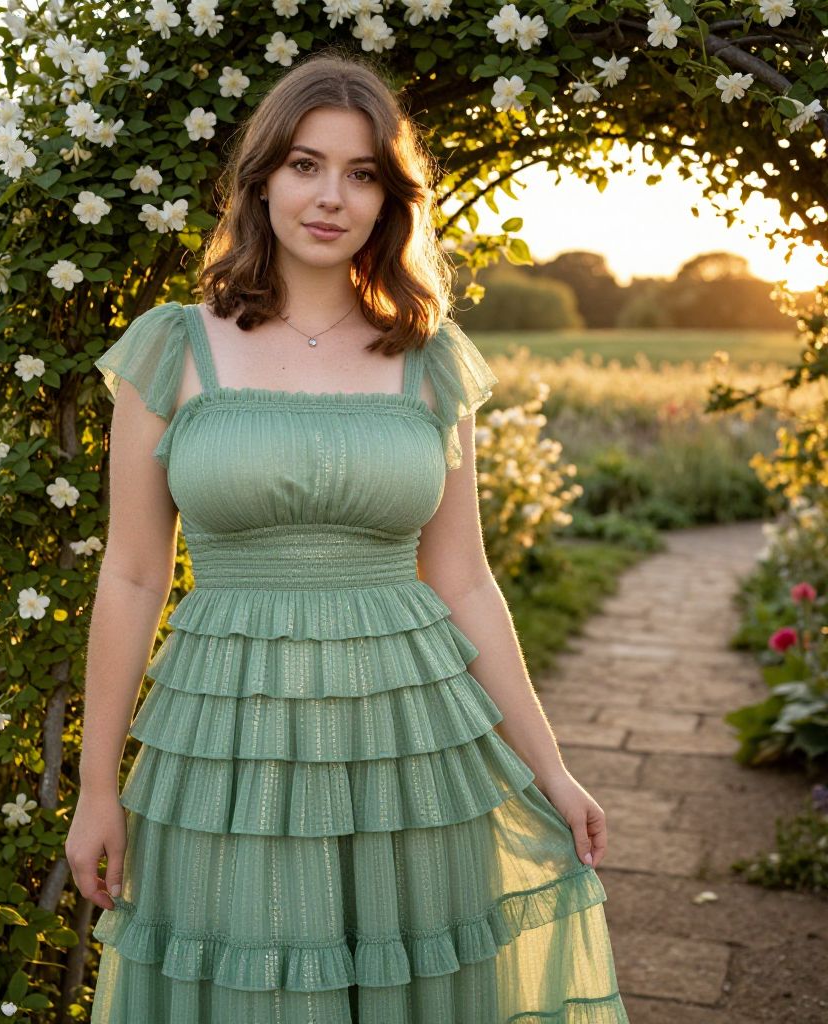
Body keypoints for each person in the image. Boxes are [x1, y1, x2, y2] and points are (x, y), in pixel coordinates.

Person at [66, 46, 630, 1024]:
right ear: (262, 181)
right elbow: (129, 575)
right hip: (224, 756)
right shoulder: (173, 345)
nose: (331, 196)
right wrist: (94, 786)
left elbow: (463, 580)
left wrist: (553, 767)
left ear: (388, 199)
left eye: (361, 172)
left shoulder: (429, 357)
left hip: (407, 756)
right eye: (305, 165)